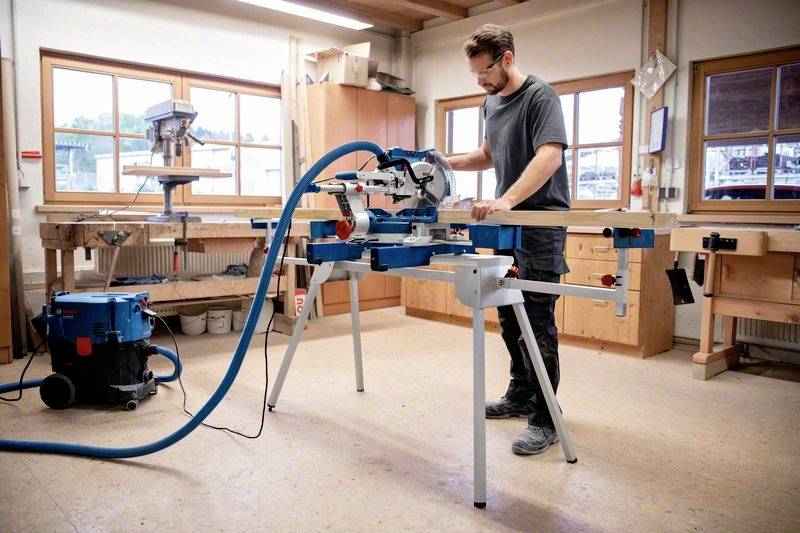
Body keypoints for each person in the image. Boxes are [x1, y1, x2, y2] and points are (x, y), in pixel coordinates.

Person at [446, 24, 570, 456]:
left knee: (536, 320)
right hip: (506, 223)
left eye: (484, 72)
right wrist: (441, 161)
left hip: (539, 226)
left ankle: (545, 417)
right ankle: (520, 396)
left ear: (508, 60)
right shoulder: (491, 101)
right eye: (474, 73)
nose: (480, 81)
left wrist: (507, 199)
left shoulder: (540, 96)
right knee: (508, 315)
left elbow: (549, 155)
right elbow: (488, 155)